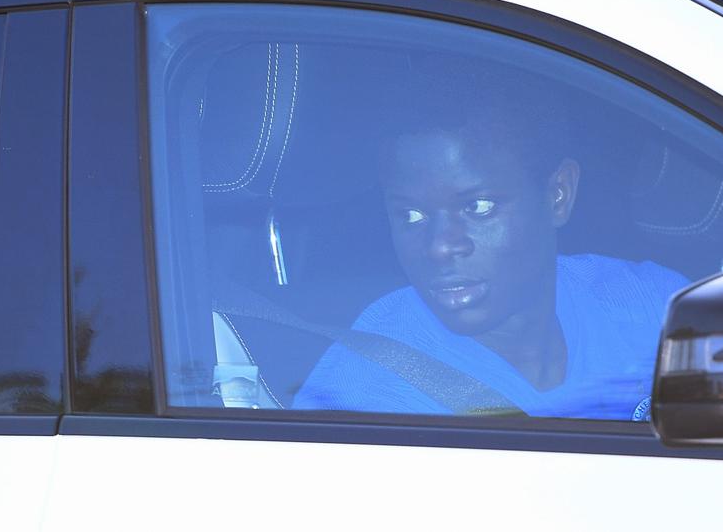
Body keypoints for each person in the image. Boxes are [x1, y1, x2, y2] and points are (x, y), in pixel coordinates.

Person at [293, 64, 687, 420]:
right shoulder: (366, 394)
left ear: (557, 195)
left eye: (478, 207)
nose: (439, 247)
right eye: (412, 216)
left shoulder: (650, 310)